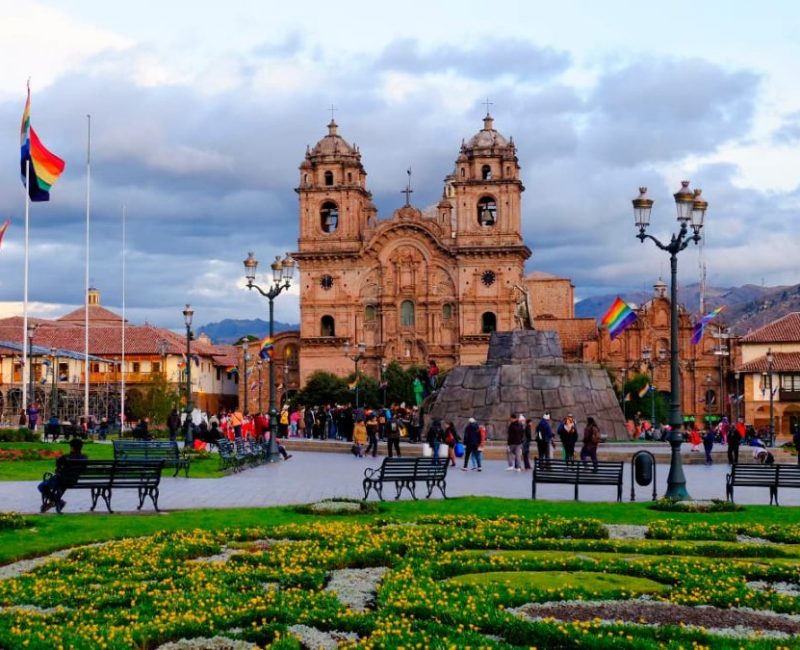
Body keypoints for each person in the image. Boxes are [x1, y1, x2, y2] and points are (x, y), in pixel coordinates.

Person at [38, 438, 88, 513]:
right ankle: (56, 501)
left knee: (41, 486)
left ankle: (57, 501)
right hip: (73, 481)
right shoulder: (84, 457)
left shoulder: (66, 457)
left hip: (62, 480)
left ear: (72, 447)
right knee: (62, 486)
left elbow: (58, 465)